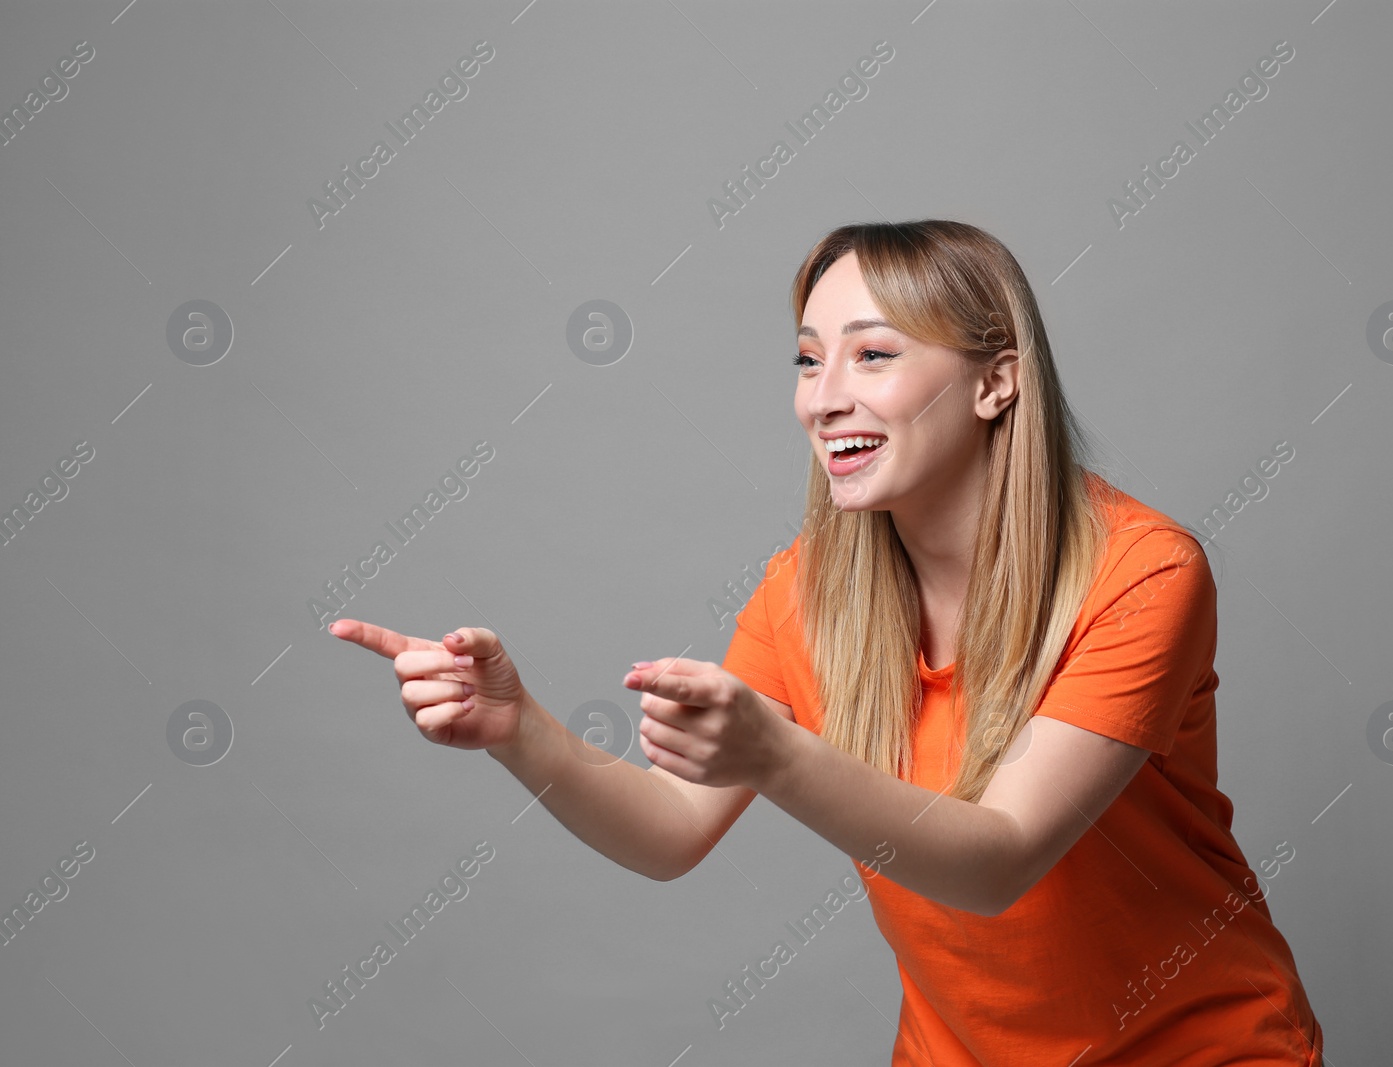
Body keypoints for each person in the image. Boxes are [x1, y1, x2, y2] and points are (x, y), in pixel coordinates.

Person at [332, 219, 1324, 1065]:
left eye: (873, 354)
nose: (824, 396)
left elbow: (998, 860)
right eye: (808, 359)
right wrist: (517, 729)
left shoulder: (1141, 572)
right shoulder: (806, 591)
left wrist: (778, 754)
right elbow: (672, 829)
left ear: (995, 383)